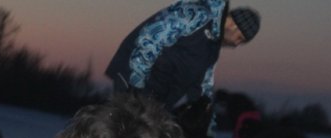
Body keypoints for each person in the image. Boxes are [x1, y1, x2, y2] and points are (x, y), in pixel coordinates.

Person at [105, 0, 260, 112]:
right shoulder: (196, 15)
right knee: (126, 137)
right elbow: (150, 38)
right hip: (135, 84)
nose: (237, 45)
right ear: (234, 25)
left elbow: (202, 85)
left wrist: (203, 115)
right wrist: (136, 85)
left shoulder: (211, 48)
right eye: (240, 39)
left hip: (158, 100)